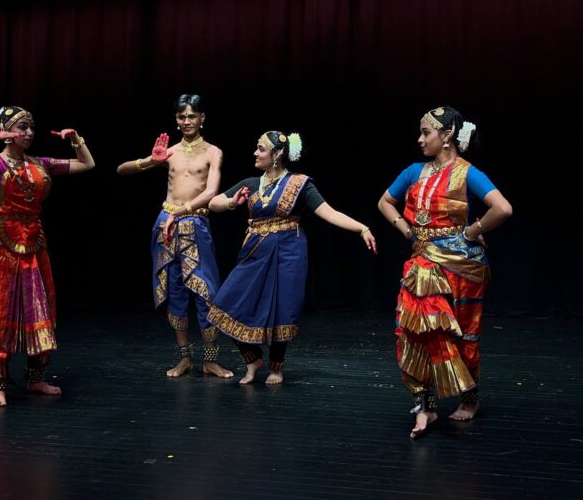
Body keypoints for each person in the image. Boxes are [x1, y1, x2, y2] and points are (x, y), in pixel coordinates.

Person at [377, 105, 512, 438]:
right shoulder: (413, 172)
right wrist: (404, 228)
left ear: (447, 135)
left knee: (462, 333)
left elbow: (503, 208)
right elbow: (384, 202)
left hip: (461, 265)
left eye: (426, 132)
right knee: (414, 330)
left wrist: (471, 231)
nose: (420, 139)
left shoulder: (467, 173)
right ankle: (426, 407)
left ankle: (469, 399)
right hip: (422, 263)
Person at [0, 106, 95, 407]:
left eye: (31, 127)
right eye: (22, 127)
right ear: (6, 132)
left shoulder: (39, 163)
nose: (29, 133)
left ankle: (36, 377)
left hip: (33, 242)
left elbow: (87, 165)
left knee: (41, 308)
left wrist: (76, 140)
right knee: (0, 312)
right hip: (0, 244)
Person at [207, 131, 377, 385]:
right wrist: (233, 202)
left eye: (261, 149)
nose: (255, 153)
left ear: (277, 154)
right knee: (224, 304)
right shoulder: (251, 184)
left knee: (281, 307)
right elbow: (213, 204)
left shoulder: (300, 184)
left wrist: (361, 227)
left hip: (289, 251)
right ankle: (252, 358)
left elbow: (329, 212)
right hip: (255, 251)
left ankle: (276, 367)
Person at [115, 94, 233, 379]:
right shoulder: (170, 152)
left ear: (203, 118)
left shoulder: (213, 152)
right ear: (176, 120)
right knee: (174, 292)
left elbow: (210, 194)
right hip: (165, 224)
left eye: (192, 116)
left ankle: (210, 360)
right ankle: (184, 359)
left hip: (194, 223)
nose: (187, 121)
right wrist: (149, 161)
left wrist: (180, 214)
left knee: (206, 293)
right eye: (182, 117)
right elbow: (121, 170)